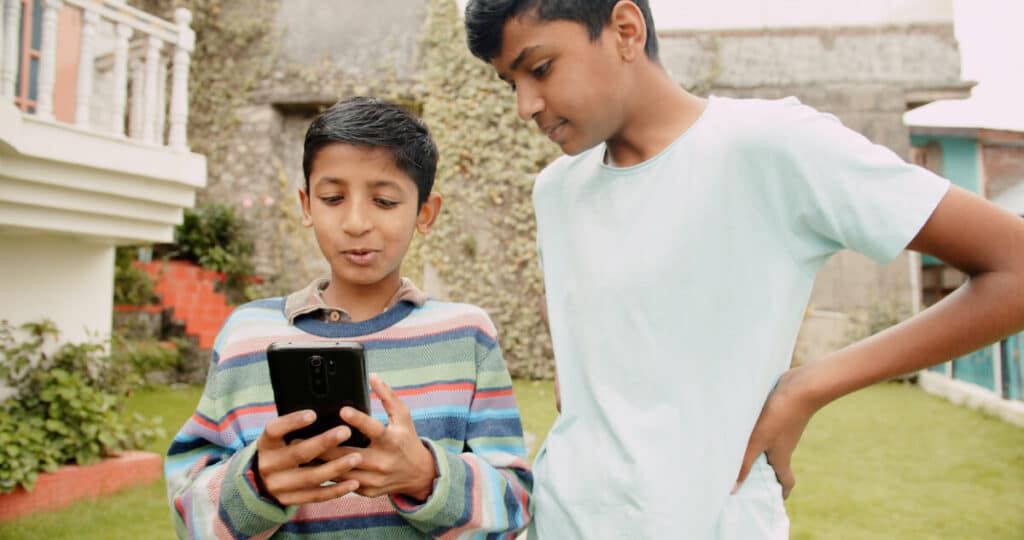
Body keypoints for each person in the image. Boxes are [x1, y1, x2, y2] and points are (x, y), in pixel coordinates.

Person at [463, 1, 1024, 538]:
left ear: (626, 31)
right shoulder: (556, 191)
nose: (526, 105)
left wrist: (806, 389)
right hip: (560, 524)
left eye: (540, 68)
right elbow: (584, 379)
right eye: (512, 84)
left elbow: (1013, 268)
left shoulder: (770, 145)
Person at [165, 97, 533, 539]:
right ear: (306, 205)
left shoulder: (466, 335)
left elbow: (515, 509)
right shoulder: (247, 335)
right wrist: (258, 484)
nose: (356, 222)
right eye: (333, 197)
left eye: (384, 200)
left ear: (425, 213)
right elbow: (189, 516)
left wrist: (425, 476)